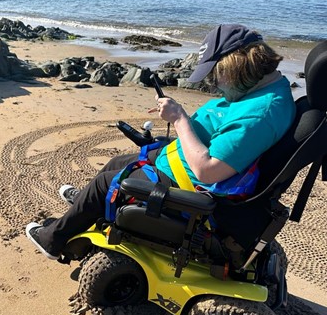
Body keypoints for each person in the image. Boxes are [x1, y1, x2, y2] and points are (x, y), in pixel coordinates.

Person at [25, 24, 296, 260]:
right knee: (118, 162)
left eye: (216, 75)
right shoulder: (264, 89)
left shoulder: (261, 113)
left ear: (235, 65)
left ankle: (52, 240)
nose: (215, 84)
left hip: (192, 184)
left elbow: (207, 170)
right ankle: (87, 206)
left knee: (106, 182)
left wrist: (179, 118)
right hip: (180, 163)